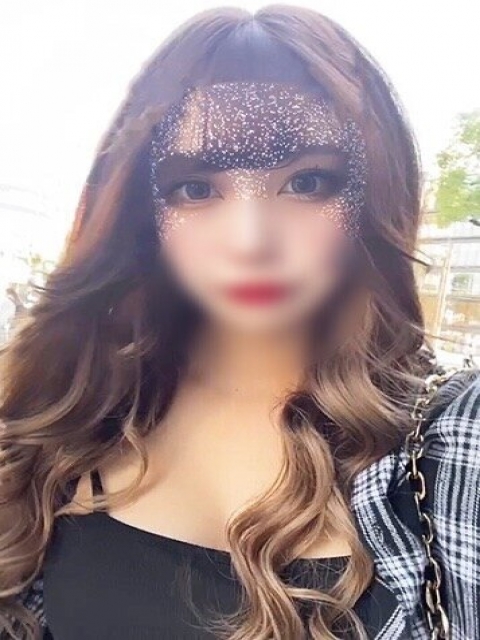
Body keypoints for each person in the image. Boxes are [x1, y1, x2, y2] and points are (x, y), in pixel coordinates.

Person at [0, 6, 479, 640]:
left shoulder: (455, 443)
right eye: (196, 189)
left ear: (373, 195)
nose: (251, 241)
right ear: (143, 215)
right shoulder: (71, 407)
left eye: (307, 182)